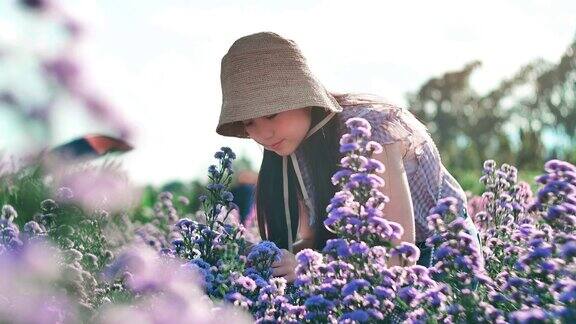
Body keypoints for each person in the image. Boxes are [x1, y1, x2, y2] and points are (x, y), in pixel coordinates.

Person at [215, 32, 483, 283]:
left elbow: (398, 255)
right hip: (364, 265)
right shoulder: (291, 150)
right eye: (249, 123)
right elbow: (312, 242)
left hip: (443, 250)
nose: (263, 133)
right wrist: (266, 260)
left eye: (271, 115)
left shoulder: (369, 127)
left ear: (303, 98)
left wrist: (308, 268)